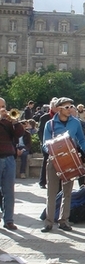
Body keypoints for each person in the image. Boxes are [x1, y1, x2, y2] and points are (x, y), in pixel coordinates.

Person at [42, 97, 85, 232]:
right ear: (59, 109)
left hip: (70, 160)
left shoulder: (76, 122)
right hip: (54, 161)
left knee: (67, 193)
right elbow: (44, 144)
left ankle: (64, 220)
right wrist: (53, 150)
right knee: (52, 192)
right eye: (67, 107)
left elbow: (81, 140)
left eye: (71, 106)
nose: (70, 109)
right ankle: (48, 222)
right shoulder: (50, 124)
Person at [0, 97, 25, 230]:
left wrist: (15, 121)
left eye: (4, 106)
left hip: (9, 157)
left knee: (9, 191)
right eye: (0, 106)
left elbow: (19, 133)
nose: (3, 109)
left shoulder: (8, 121)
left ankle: (8, 219)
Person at [37, 98, 57, 189]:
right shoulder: (44, 117)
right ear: (51, 107)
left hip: (58, 144)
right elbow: (40, 131)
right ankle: (42, 181)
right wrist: (44, 143)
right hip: (47, 144)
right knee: (46, 161)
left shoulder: (61, 117)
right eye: (54, 106)